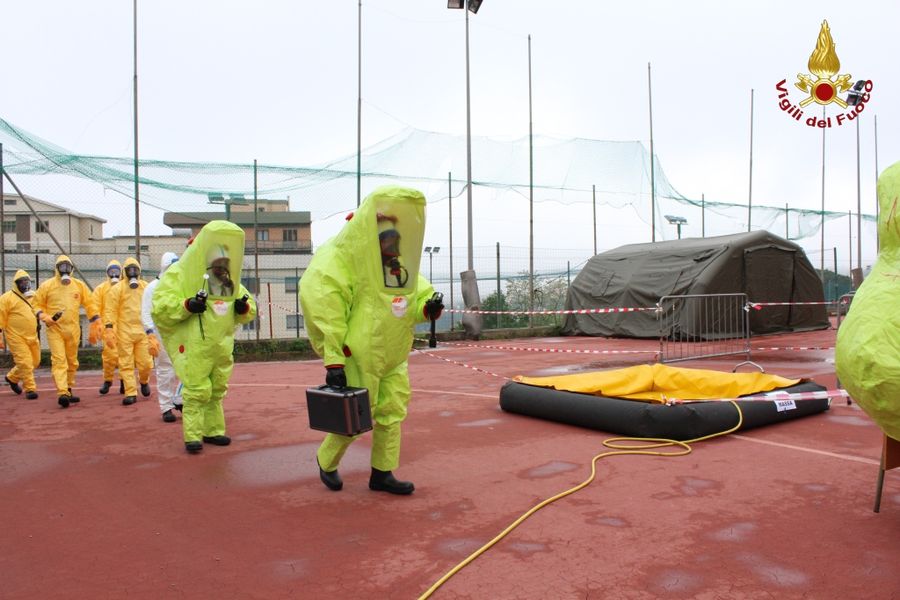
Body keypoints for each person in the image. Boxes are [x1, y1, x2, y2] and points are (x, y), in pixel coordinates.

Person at [300, 185, 443, 494]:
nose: (392, 245)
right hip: (359, 352)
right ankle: (326, 459)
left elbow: (414, 297)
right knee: (354, 416)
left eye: (395, 239)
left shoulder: (397, 268)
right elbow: (325, 306)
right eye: (387, 240)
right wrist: (334, 357)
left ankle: (382, 473)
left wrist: (428, 306)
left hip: (395, 351)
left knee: (392, 413)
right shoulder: (343, 261)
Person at [151, 221, 257, 454]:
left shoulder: (227, 278)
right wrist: (187, 305)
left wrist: (242, 308)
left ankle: (213, 431)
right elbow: (161, 306)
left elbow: (249, 307)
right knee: (197, 389)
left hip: (221, 343)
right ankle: (192, 436)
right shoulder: (179, 275)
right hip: (196, 343)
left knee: (217, 388)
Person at [33, 255, 102, 408]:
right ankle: (62, 392)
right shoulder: (47, 286)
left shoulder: (78, 285)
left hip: (73, 329)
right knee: (59, 361)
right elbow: (36, 305)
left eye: (67, 266)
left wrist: (95, 320)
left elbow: (90, 303)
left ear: (71, 268)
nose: (65, 269)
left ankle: (68, 389)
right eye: (62, 266)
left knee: (72, 361)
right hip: (54, 329)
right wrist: (44, 317)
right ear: (57, 268)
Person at [102, 257, 153, 407]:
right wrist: (109, 328)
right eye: (129, 270)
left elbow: (153, 305)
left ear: (139, 272)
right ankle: (130, 392)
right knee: (126, 363)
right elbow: (110, 309)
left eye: (135, 270)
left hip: (143, 331)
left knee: (145, 364)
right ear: (124, 272)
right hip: (124, 332)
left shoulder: (145, 287)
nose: (132, 273)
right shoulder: (117, 289)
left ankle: (144, 381)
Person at [141, 252, 184, 422]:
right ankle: (166, 407)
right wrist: (150, 333)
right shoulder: (152, 288)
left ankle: (180, 398)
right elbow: (145, 312)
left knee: (186, 368)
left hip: (179, 333)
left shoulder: (179, 286)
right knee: (165, 370)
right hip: (160, 334)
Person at [0, 270, 41, 400]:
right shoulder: (6, 298)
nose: (25, 284)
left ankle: (12, 377)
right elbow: (1, 316)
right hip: (16, 337)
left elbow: (41, 307)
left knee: (35, 361)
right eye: (22, 282)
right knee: (25, 362)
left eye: (27, 281)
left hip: (32, 335)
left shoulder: (33, 296)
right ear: (16, 284)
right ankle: (30, 388)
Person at [91, 259, 123, 395]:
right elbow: (94, 306)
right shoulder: (101, 289)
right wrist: (96, 324)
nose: (114, 274)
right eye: (112, 271)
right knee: (109, 356)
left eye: (117, 271)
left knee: (124, 356)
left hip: (124, 325)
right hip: (108, 327)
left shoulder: (125, 286)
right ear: (107, 273)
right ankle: (108, 380)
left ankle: (124, 381)